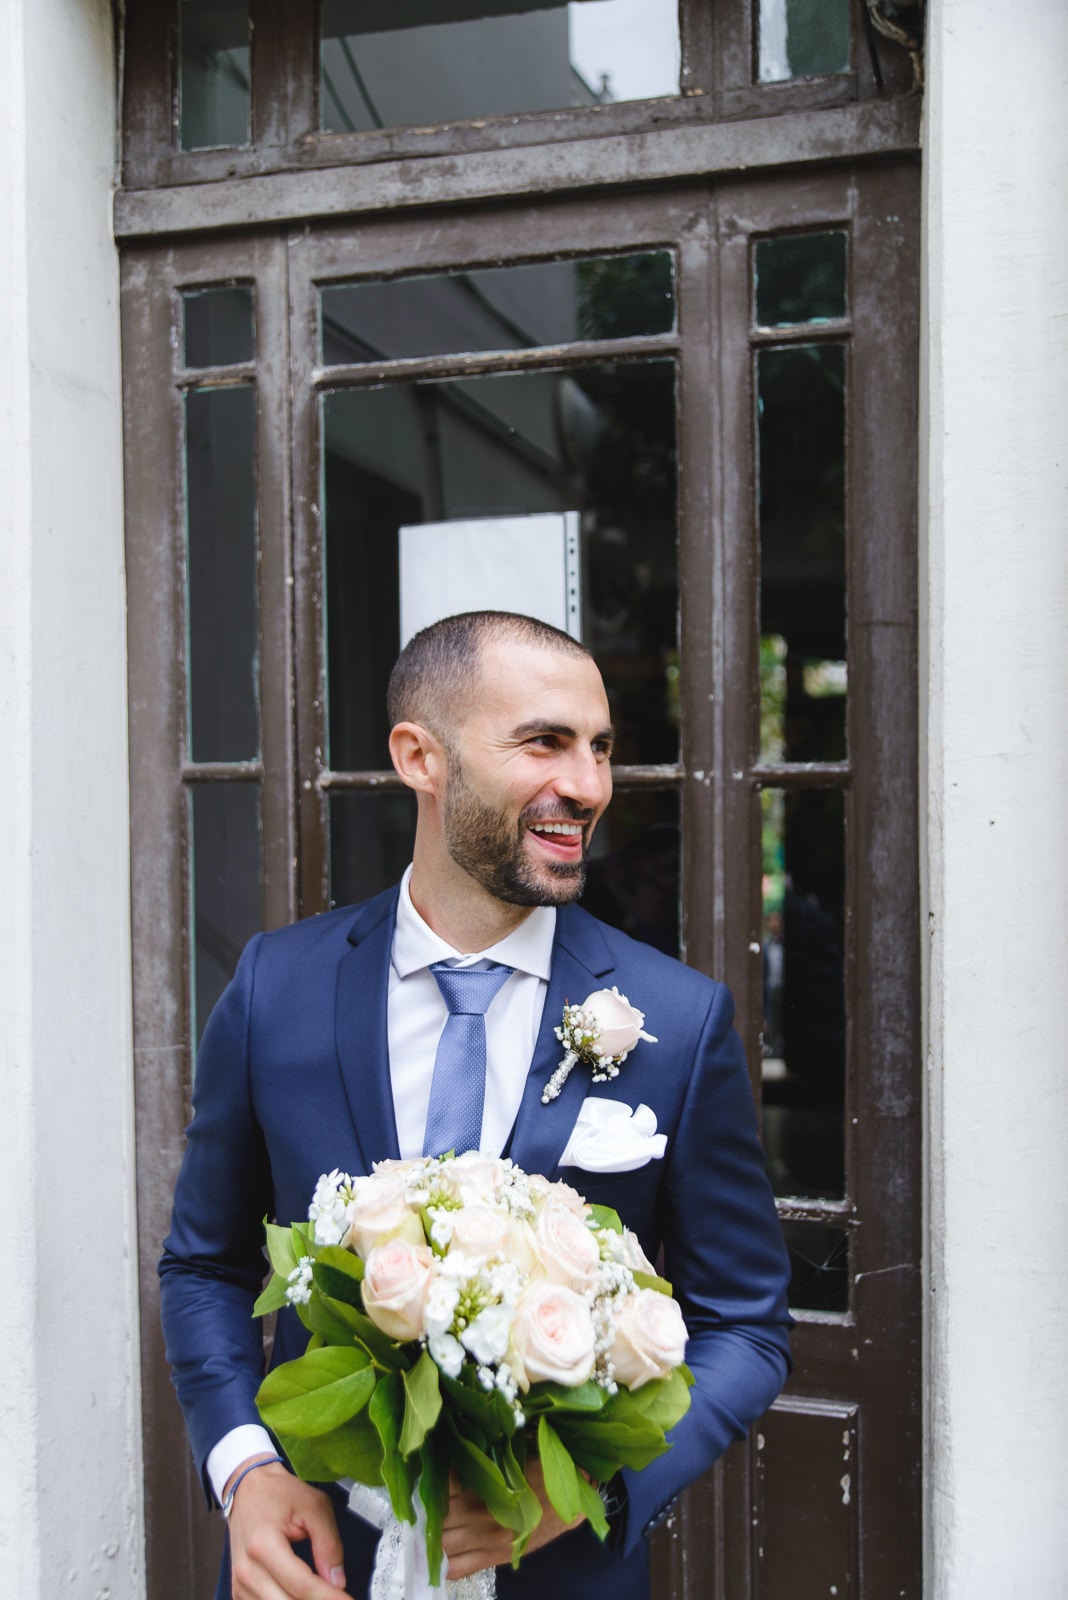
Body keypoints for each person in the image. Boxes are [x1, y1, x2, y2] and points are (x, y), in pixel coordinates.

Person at [160, 611, 792, 1600]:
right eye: (544, 741)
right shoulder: (274, 987)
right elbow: (206, 1263)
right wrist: (247, 1467)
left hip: (563, 1574)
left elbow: (746, 1325)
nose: (586, 785)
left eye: (600, 749)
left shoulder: (675, 1018)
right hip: (318, 1568)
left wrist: (591, 1486)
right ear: (420, 756)